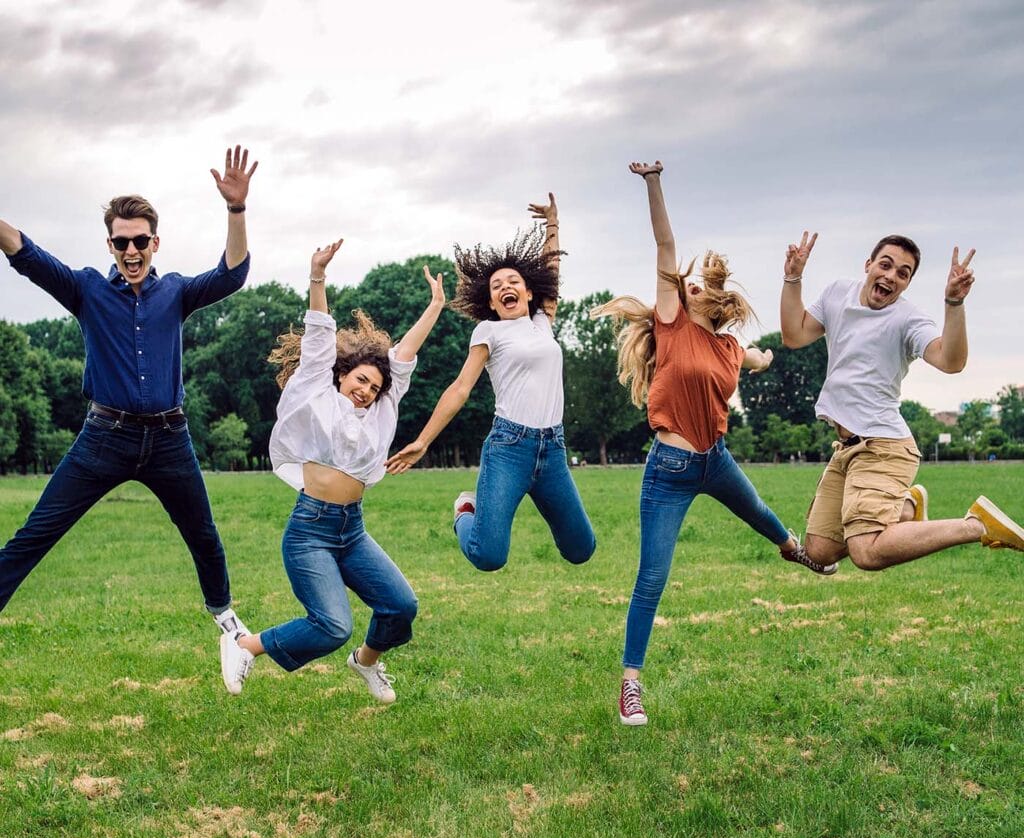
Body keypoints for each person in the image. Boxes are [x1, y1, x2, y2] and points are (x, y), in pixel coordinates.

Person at [592, 161, 836, 728]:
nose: (689, 283)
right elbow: (665, 242)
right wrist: (654, 184)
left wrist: (767, 357)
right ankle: (630, 684)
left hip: (716, 461)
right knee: (652, 575)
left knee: (760, 512)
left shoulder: (728, 347)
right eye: (686, 280)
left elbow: (750, 357)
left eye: (698, 283)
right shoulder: (671, 321)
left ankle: (793, 549)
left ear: (712, 297)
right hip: (669, 470)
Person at [0, 145, 257, 664]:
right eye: (122, 243)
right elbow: (26, 253)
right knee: (38, 531)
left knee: (204, 535)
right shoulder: (87, 290)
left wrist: (236, 209)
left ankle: (229, 628)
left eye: (141, 241)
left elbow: (232, 274)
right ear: (111, 244)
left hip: (169, 440)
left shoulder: (177, 293)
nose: (132, 251)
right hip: (104, 439)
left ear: (155, 242)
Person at [219, 241, 445, 701]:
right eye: (361, 379)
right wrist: (317, 275)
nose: (367, 390)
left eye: (375, 386)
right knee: (332, 624)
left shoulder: (381, 413)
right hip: (310, 530)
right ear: (343, 374)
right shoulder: (316, 392)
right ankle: (244, 644)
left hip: (353, 530)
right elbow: (320, 334)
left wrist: (436, 305)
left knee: (401, 607)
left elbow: (402, 360)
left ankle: (366, 662)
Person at [780, 231, 1024, 570]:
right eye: (886, 265)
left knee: (866, 552)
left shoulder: (907, 319)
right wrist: (793, 276)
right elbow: (794, 335)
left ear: (907, 284)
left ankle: (978, 524)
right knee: (819, 553)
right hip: (848, 447)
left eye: (903, 273)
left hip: (884, 447)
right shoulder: (838, 294)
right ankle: (907, 506)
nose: (891, 276)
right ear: (868, 265)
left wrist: (954, 303)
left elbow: (950, 361)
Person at [384, 194, 596, 572]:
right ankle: (466, 510)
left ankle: (491, 510)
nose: (505, 287)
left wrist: (552, 224)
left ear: (529, 293)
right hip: (509, 448)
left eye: (514, 282)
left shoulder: (542, 322)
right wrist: (422, 441)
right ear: (493, 302)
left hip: (553, 449)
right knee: (488, 556)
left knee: (581, 549)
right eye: (497, 286)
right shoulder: (489, 331)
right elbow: (461, 388)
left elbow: (552, 270)